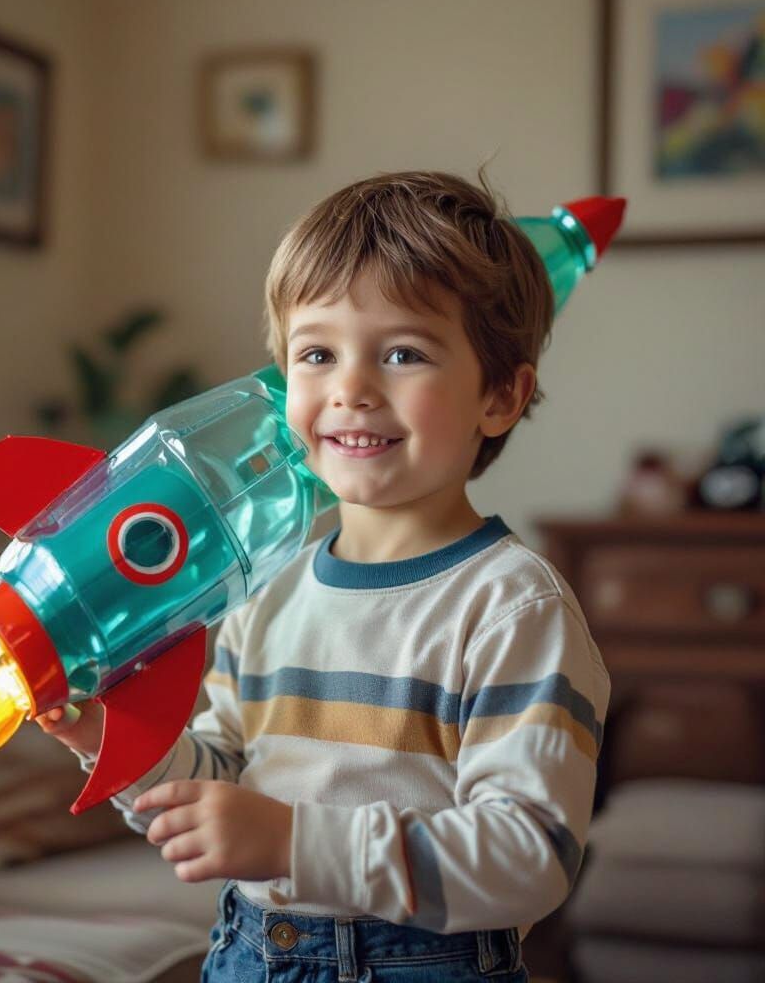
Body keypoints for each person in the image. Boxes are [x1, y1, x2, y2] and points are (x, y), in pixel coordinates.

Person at [38, 170, 610, 982]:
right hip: (248, 954)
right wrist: (117, 745)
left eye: (403, 353)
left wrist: (295, 842)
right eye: (317, 354)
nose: (351, 389)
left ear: (500, 396)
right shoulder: (267, 592)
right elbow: (224, 781)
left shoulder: (513, 607)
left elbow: (529, 856)